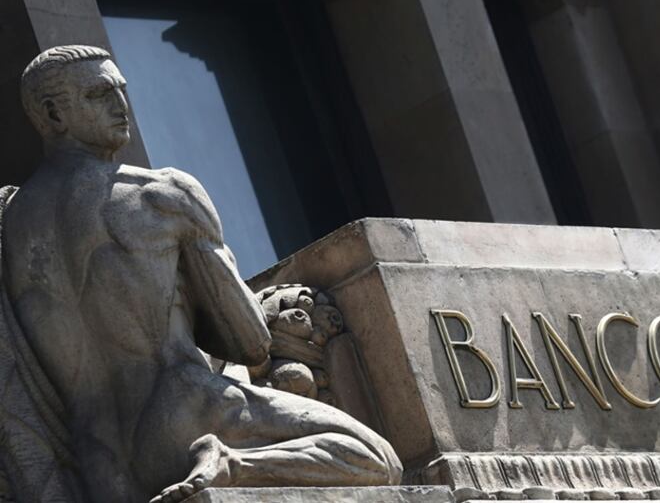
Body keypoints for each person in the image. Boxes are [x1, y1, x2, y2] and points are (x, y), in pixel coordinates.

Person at [1, 45, 401, 503]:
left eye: (121, 90)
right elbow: (250, 341)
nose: (120, 104)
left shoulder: (10, 223)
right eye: (98, 94)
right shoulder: (160, 195)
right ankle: (233, 463)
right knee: (374, 456)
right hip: (187, 414)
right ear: (53, 115)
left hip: (100, 465)